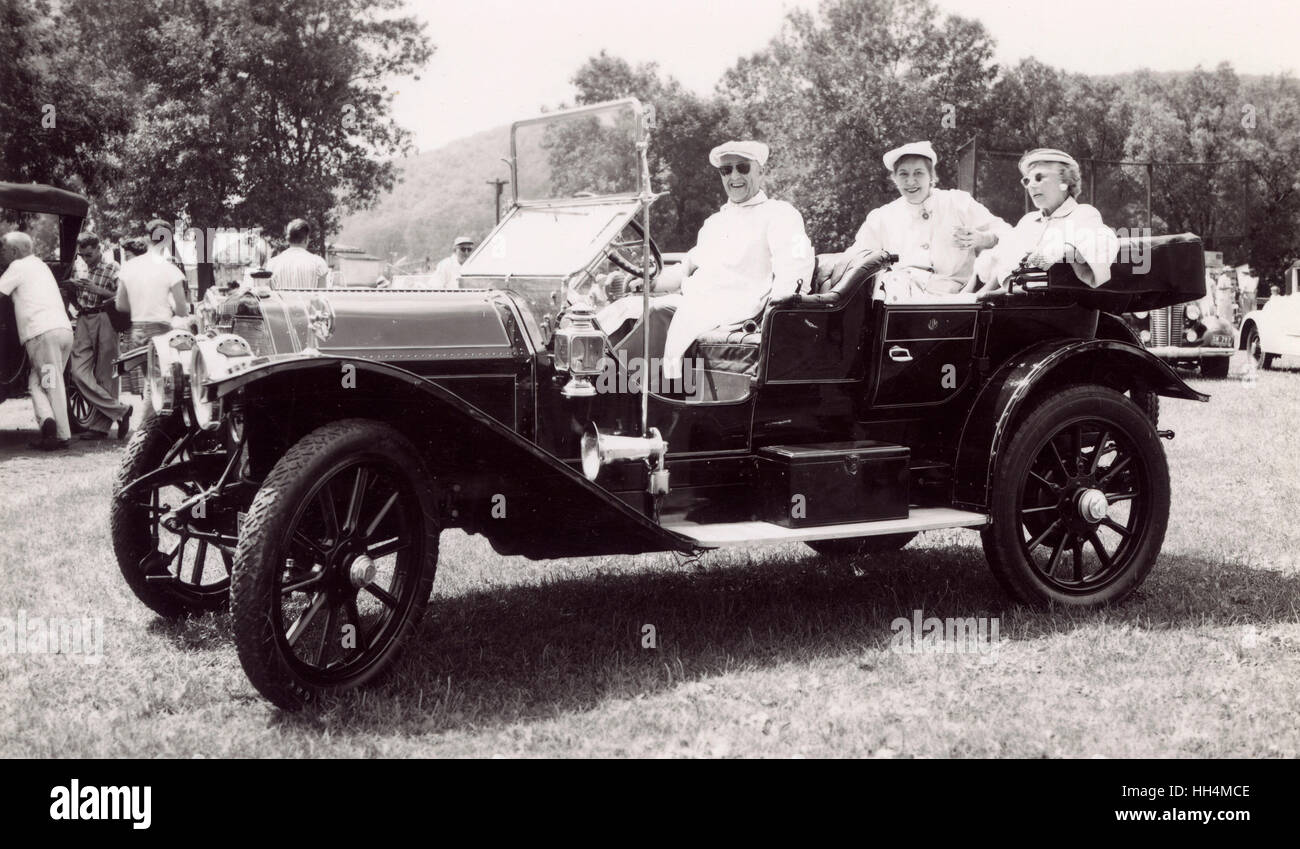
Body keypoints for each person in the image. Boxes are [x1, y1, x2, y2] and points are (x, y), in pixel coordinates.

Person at [597, 140, 814, 381]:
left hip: (737, 308)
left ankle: (608, 387)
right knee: (626, 309)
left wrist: (780, 314)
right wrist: (650, 282)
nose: (734, 176)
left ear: (761, 170)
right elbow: (685, 268)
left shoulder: (780, 214)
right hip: (700, 301)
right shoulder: (715, 222)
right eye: (726, 170)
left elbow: (795, 265)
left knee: (659, 311)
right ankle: (589, 369)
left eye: (742, 167)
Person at [851, 141, 1008, 300]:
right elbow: (857, 257)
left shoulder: (957, 202)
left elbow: (1007, 234)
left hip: (958, 297)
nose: (910, 181)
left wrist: (982, 238)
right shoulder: (881, 217)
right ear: (894, 178)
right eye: (903, 174)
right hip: (900, 299)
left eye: (918, 173)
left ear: (931, 176)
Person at [973, 148, 1119, 293]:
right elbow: (998, 264)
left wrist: (1061, 250)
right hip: (1015, 303)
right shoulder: (1027, 221)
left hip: (1057, 308)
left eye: (1039, 177)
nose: (1031, 185)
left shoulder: (1083, 213)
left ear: (1065, 181)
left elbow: (1103, 242)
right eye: (1027, 180)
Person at [0, 232, 75, 450]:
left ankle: (60, 434)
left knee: (49, 384)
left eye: (3, 249)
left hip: (42, 333)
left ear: (14, 251)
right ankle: (48, 422)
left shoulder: (17, 267)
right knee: (41, 382)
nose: (1, 254)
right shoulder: (41, 266)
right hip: (61, 330)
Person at [68, 232, 131, 440]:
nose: (85, 259)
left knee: (105, 374)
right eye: (82, 255)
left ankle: (100, 428)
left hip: (105, 317)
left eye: (89, 254)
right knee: (77, 372)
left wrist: (98, 290)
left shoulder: (113, 267)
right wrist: (73, 290)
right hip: (84, 318)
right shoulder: (80, 266)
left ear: (98, 249)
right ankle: (120, 410)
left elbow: (124, 296)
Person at [116, 234, 190, 370]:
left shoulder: (128, 267)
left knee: (149, 377)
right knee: (164, 376)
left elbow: (120, 305)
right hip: (161, 327)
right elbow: (181, 309)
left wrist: (140, 308)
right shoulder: (169, 268)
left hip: (137, 328)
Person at [267, 219, 330, 289]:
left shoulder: (272, 264)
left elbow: (270, 297)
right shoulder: (318, 264)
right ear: (306, 239)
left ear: (288, 240)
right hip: (307, 300)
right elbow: (321, 296)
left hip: (283, 300)